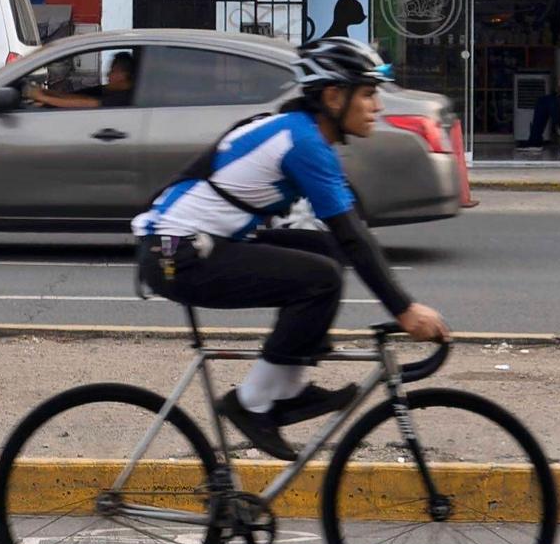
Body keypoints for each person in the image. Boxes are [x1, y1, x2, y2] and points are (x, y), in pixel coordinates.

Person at [132, 32, 449, 458]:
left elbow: (344, 238)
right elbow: (354, 235)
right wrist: (404, 310)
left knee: (323, 256)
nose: (378, 106)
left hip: (196, 242)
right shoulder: (302, 143)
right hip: (178, 254)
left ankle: (288, 387)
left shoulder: (297, 132)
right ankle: (254, 403)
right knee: (318, 277)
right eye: (370, 93)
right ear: (334, 96)